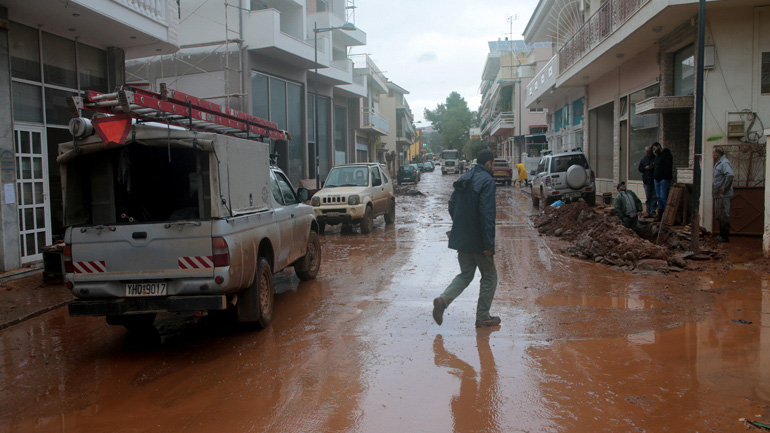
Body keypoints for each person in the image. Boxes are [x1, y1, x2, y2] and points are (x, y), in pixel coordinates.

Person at [432, 149, 500, 328]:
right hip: (479, 240)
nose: (493, 167)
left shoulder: (464, 178)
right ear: (488, 164)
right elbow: (487, 215)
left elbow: (452, 205)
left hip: (463, 238)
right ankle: (483, 317)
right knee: (490, 277)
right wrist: (488, 244)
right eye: (493, 164)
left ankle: (443, 300)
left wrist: (461, 226)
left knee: (466, 274)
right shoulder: (487, 181)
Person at [712, 147, 734, 243]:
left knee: (724, 215)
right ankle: (721, 235)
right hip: (718, 195)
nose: (712, 155)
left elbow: (730, 175)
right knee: (719, 215)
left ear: (717, 154)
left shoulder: (724, 163)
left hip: (723, 195)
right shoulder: (719, 163)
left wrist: (725, 188)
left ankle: (725, 237)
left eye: (713, 153)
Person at [651, 142, 673, 220]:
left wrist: (664, 177)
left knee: (664, 198)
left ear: (658, 146)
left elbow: (668, 167)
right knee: (659, 198)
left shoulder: (666, 155)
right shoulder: (657, 157)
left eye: (654, 148)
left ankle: (666, 215)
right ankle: (660, 215)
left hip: (664, 180)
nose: (654, 151)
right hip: (657, 180)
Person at [638, 146, 657, 218]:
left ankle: (653, 211)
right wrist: (645, 168)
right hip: (646, 181)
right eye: (647, 152)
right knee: (648, 197)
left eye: (650, 151)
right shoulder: (643, 159)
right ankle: (648, 211)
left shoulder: (655, 158)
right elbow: (640, 168)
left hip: (653, 180)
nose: (649, 153)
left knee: (654, 197)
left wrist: (652, 167)